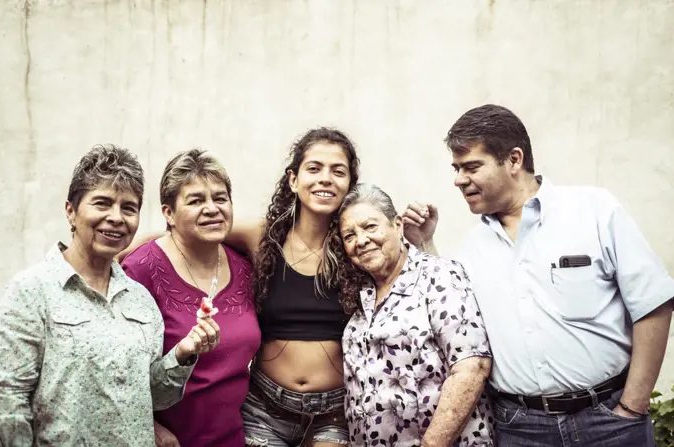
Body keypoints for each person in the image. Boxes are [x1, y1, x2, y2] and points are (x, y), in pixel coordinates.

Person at [403, 104, 674, 446]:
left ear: (514, 160)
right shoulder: (472, 248)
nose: (458, 180)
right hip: (521, 429)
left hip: (609, 423)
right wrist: (425, 242)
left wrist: (632, 407)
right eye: (456, 169)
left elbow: (653, 304)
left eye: (471, 167)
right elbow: (454, 317)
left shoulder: (593, 209)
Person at [119, 128, 364, 446]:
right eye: (314, 168)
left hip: (332, 411)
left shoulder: (357, 242)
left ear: (349, 185)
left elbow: (401, 269)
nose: (326, 179)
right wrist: (134, 244)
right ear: (293, 179)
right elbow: (196, 226)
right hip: (267, 408)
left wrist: (422, 238)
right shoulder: (264, 237)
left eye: (338, 171)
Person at [0, 145, 220, 446]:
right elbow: (9, 403)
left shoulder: (139, 299)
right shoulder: (31, 291)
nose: (116, 217)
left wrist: (183, 353)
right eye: (102, 203)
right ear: (71, 211)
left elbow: (153, 396)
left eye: (129, 208)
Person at [121, 149, 261, 447]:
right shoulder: (140, 270)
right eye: (196, 200)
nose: (211, 208)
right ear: (168, 214)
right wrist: (152, 427)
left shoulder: (246, 267)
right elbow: (116, 371)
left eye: (220, 198)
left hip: (233, 438)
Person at [338, 183, 493, 447]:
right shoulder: (360, 292)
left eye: (370, 227)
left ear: (397, 225)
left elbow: (472, 368)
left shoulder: (440, 275)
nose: (361, 240)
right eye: (349, 235)